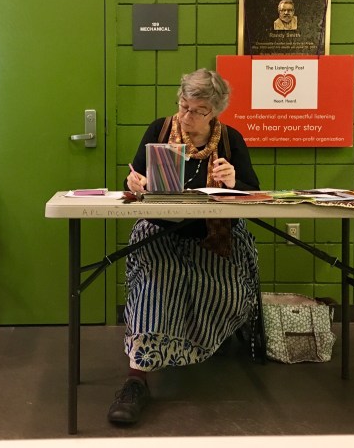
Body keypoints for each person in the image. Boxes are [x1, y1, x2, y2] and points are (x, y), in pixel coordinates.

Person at [108, 68, 261, 425]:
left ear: (215, 111)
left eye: (198, 111)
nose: (187, 116)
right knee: (155, 283)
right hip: (160, 231)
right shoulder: (160, 130)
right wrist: (134, 182)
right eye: (183, 106)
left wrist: (234, 181)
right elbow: (132, 181)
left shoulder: (230, 140)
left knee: (225, 286)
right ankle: (136, 378)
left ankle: (203, 345)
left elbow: (253, 193)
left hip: (214, 235)